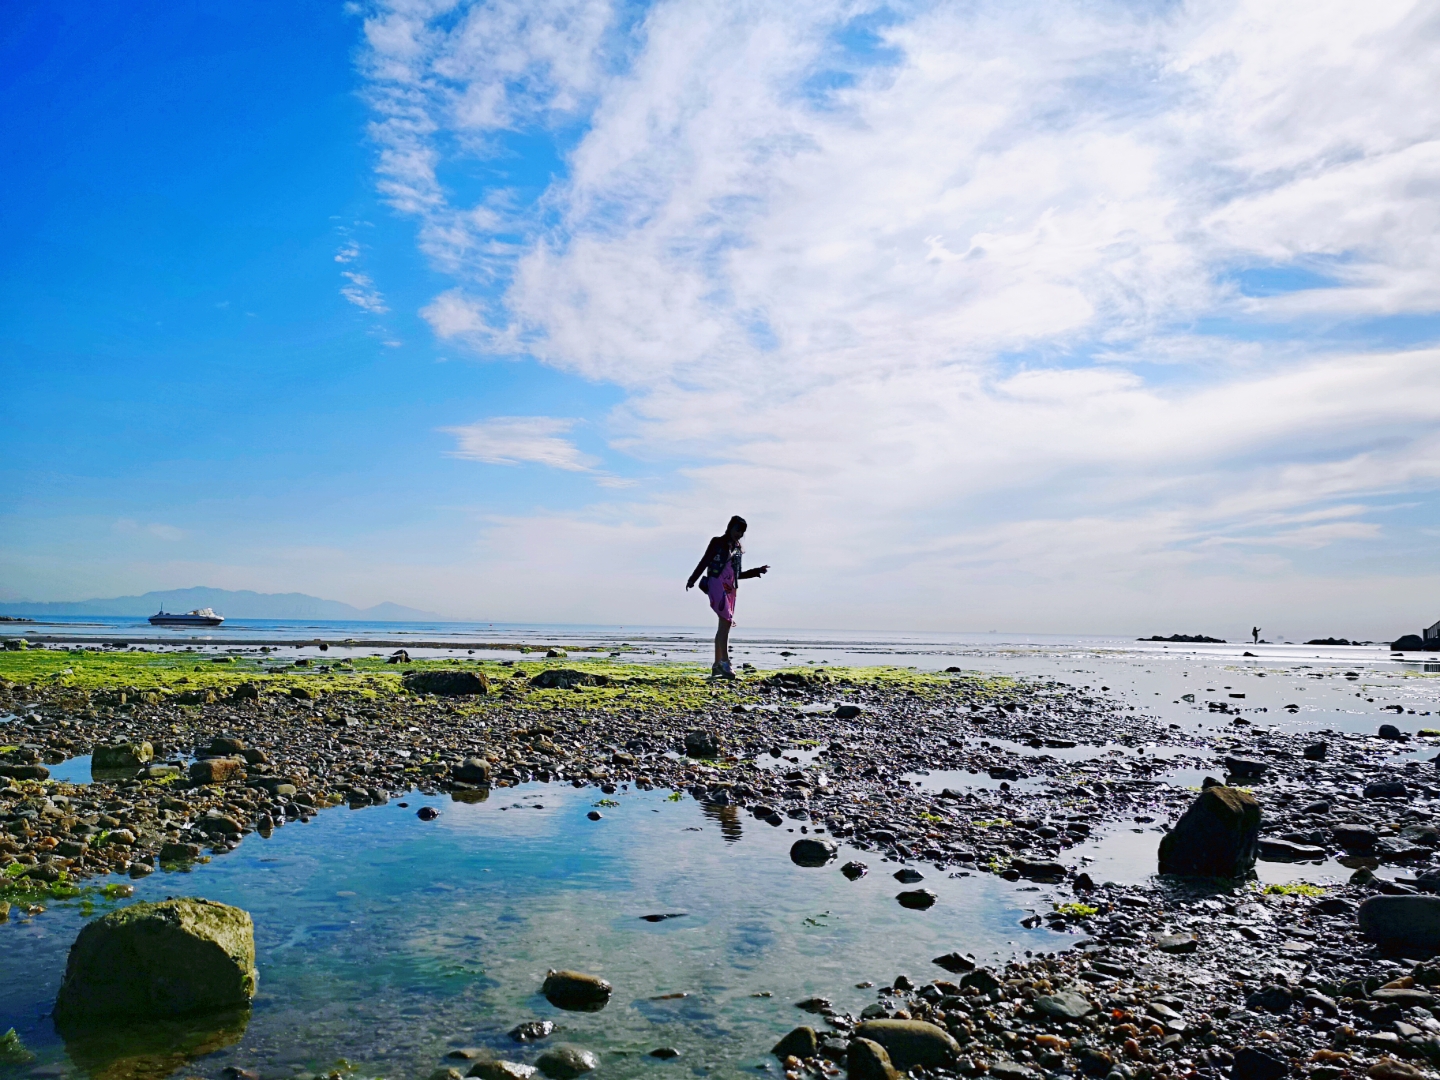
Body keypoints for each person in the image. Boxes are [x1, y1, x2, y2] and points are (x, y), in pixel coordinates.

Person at [686, 515, 769, 678]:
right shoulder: (717, 542)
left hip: (731, 588)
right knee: (726, 621)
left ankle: (717, 665)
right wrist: (692, 579)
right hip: (716, 583)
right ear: (730, 527)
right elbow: (705, 561)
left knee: (724, 626)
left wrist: (756, 571)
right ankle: (725, 662)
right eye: (738, 530)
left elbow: (737, 574)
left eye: (742, 531)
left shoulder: (738, 549)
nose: (739, 533)